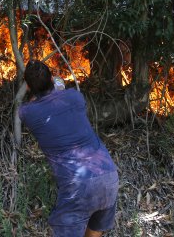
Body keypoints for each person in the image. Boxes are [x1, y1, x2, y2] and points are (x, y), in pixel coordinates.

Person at [18, 60, 119, 237]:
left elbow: (37, 101)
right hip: (108, 175)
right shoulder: (75, 97)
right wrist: (57, 84)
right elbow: (59, 88)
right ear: (52, 79)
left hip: (78, 186)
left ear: (27, 87)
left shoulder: (27, 113)